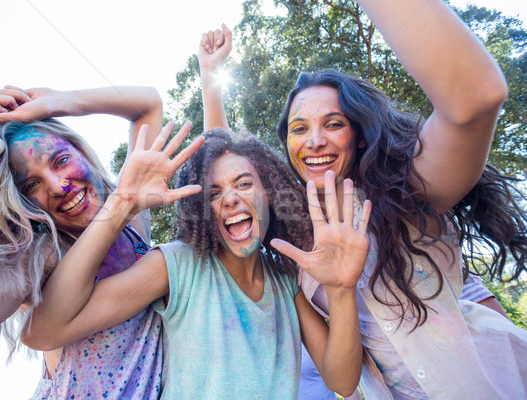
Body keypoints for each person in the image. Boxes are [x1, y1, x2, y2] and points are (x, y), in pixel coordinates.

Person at [201, 4, 527, 397]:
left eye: (333, 124)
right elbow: (226, 168)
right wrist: (210, 77)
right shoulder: (296, 233)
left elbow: (475, 99)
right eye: (299, 128)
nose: (314, 140)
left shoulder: (408, 190)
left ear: (358, 134)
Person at [20, 127, 372, 398]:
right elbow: (44, 331)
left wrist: (341, 290)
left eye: (244, 184)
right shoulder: (177, 265)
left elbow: (341, 379)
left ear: (268, 192)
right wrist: (122, 203)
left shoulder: (284, 279)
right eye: (214, 193)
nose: (231, 199)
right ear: (202, 210)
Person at [0, 85, 168, 399]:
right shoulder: (40, 255)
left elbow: (147, 105)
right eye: (31, 184)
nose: (59, 185)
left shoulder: (130, 220)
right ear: (20, 202)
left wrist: (59, 102)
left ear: (82, 150)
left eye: (61, 160)